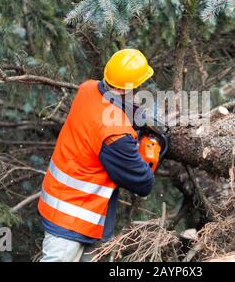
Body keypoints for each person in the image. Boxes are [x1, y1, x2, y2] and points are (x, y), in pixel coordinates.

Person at [38, 49, 156, 262]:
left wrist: (141, 118)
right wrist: (149, 155)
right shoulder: (116, 133)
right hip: (72, 220)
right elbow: (143, 183)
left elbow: (110, 107)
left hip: (65, 205)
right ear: (135, 86)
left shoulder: (87, 89)